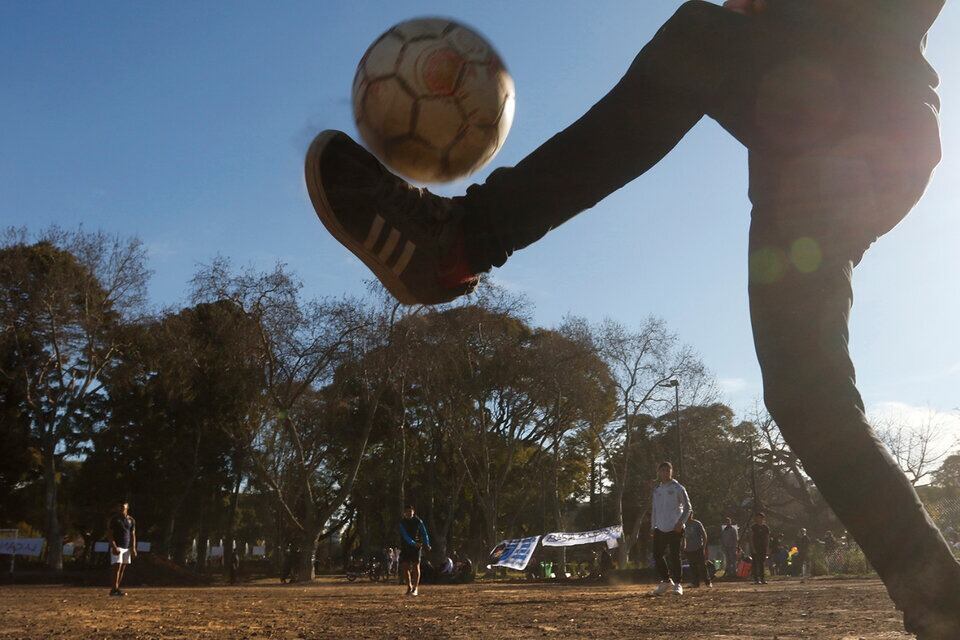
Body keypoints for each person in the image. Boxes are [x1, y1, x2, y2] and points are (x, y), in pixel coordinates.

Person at [306, 1, 957, 635]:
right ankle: (943, 605)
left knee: (701, 36)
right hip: (819, 143)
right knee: (805, 396)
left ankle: (458, 242)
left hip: (869, 110)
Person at [649, 461, 691, 595]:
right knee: (657, 555)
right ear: (658, 472)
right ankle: (666, 580)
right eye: (662, 470)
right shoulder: (657, 490)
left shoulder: (678, 488)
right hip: (659, 528)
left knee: (674, 556)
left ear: (671, 471)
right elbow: (654, 509)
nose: (665, 473)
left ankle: (678, 584)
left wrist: (680, 523)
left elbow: (688, 507)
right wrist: (653, 526)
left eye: (667, 470)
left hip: (675, 528)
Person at [398, 505, 431, 596]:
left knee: (416, 566)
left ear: (413, 511)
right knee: (405, 567)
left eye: (410, 511)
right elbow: (405, 536)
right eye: (407, 511)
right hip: (406, 546)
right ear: (404, 512)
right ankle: (409, 586)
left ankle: (415, 588)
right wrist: (413, 543)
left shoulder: (418, 521)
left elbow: (424, 534)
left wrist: (426, 543)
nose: (409, 513)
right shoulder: (402, 523)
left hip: (416, 547)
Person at [106, 502, 137, 597]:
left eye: (123, 507)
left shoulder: (131, 520)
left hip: (126, 547)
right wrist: (113, 546)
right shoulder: (114, 519)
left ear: (127, 508)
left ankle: (117, 588)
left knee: (122, 568)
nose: (121, 509)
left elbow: (133, 535)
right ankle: (113, 589)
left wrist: (133, 547)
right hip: (118, 546)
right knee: (116, 567)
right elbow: (110, 533)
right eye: (119, 508)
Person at [683, 511, 712, 588]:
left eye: (689, 514)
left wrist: (704, 547)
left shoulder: (697, 523)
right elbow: (682, 537)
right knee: (693, 566)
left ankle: (707, 582)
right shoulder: (683, 524)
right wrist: (683, 547)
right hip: (688, 549)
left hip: (698, 547)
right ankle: (695, 583)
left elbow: (704, 535)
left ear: (692, 515)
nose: (688, 516)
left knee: (702, 566)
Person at [751, 512, 770, 585]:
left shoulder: (765, 527)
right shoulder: (753, 527)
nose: (759, 519)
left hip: (763, 547)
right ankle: (756, 579)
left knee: (762, 563)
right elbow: (751, 538)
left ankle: (762, 578)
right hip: (756, 547)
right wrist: (752, 548)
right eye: (758, 517)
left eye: (761, 518)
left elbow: (767, 538)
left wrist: (767, 548)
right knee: (755, 563)